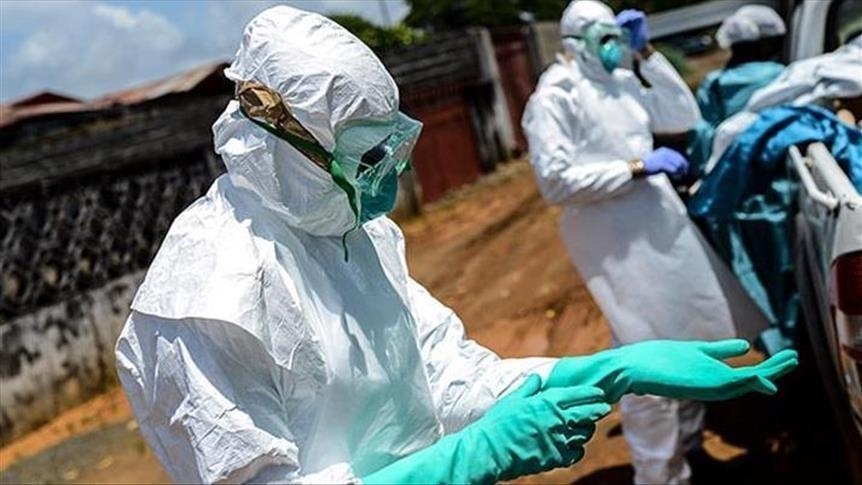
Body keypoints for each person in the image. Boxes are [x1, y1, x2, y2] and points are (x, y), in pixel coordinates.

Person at [116, 6, 797, 484]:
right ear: (280, 141)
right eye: (365, 156)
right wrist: (472, 456)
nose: (389, 175)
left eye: (389, 147)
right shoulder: (206, 297)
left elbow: (445, 372)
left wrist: (606, 371)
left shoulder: (354, 234)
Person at [522, 1, 775, 483]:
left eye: (616, 37)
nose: (612, 47)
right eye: (604, 38)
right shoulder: (555, 96)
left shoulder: (620, 81)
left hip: (660, 225)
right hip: (616, 241)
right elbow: (555, 182)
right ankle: (660, 475)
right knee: (647, 358)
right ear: (575, 44)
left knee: (690, 337)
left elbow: (682, 114)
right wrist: (636, 168)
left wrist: (647, 55)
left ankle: (690, 448)